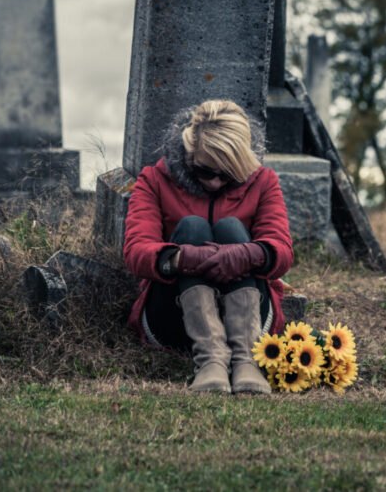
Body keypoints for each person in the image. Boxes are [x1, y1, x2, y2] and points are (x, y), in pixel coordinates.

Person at [123, 99, 294, 394]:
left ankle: (246, 361)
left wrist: (245, 253)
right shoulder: (154, 180)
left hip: (254, 323)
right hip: (173, 319)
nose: (215, 183)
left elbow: (282, 251)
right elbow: (136, 250)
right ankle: (210, 359)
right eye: (204, 171)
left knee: (230, 228)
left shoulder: (263, 182)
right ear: (188, 153)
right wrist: (182, 258)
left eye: (226, 174)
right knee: (191, 227)